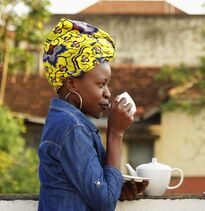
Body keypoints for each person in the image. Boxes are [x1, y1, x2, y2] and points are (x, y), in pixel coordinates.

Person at [38, 18, 147, 210]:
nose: (107, 93)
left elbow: (91, 188)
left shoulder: (68, 122)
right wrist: (115, 133)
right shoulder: (71, 127)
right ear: (72, 83)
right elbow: (104, 203)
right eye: (101, 84)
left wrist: (116, 188)